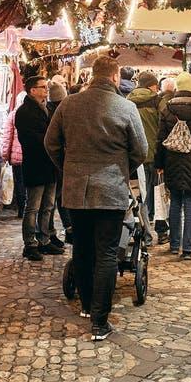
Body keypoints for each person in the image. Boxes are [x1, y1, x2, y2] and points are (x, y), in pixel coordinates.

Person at [45, 56, 147, 341]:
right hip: (111, 189)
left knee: (82, 249)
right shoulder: (126, 108)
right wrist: (121, 166)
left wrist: (68, 167)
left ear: (92, 76)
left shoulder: (68, 104)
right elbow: (141, 149)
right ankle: (100, 322)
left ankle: (88, 307)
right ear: (115, 78)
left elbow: (50, 143)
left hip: (77, 189)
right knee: (106, 253)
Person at [155, 72, 191, 260]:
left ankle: (174, 244)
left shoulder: (168, 109)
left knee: (175, 203)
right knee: (190, 204)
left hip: (172, 160)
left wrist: (159, 164)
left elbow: (160, 139)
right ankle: (188, 248)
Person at [16, 76, 62, 260]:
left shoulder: (47, 109)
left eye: (46, 87)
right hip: (35, 164)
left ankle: (44, 239)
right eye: (42, 87)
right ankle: (30, 243)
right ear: (32, 90)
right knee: (33, 206)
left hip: (50, 165)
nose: (46, 90)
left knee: (48, 206)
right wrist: (51, 141)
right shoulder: (24, 112)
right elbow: (29, 139)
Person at [128, 71, 168, 243]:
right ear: (152, 85)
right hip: (156, 154)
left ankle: (145, 235)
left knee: (140, 196)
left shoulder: (127, 101)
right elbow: (165, 126)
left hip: (136, 156)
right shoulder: (158, 101)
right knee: (159, 194)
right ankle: (161, 231)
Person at [47, 81, 72, 242]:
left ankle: (66, 229)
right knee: (52, 201)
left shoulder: (50, 111)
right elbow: (51, 142)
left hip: (56, 163)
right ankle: (54, 232)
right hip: (55, 165)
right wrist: (61, 161)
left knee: (56, 199)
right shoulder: (57, 114)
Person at [0, 101, 24, 218]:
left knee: (20, 183)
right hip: (30, 156)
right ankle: (30, 210)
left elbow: (7, 137)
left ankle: (21, 209)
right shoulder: (35, 113)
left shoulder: (13, 115)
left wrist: (5, 155)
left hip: (17, 157)